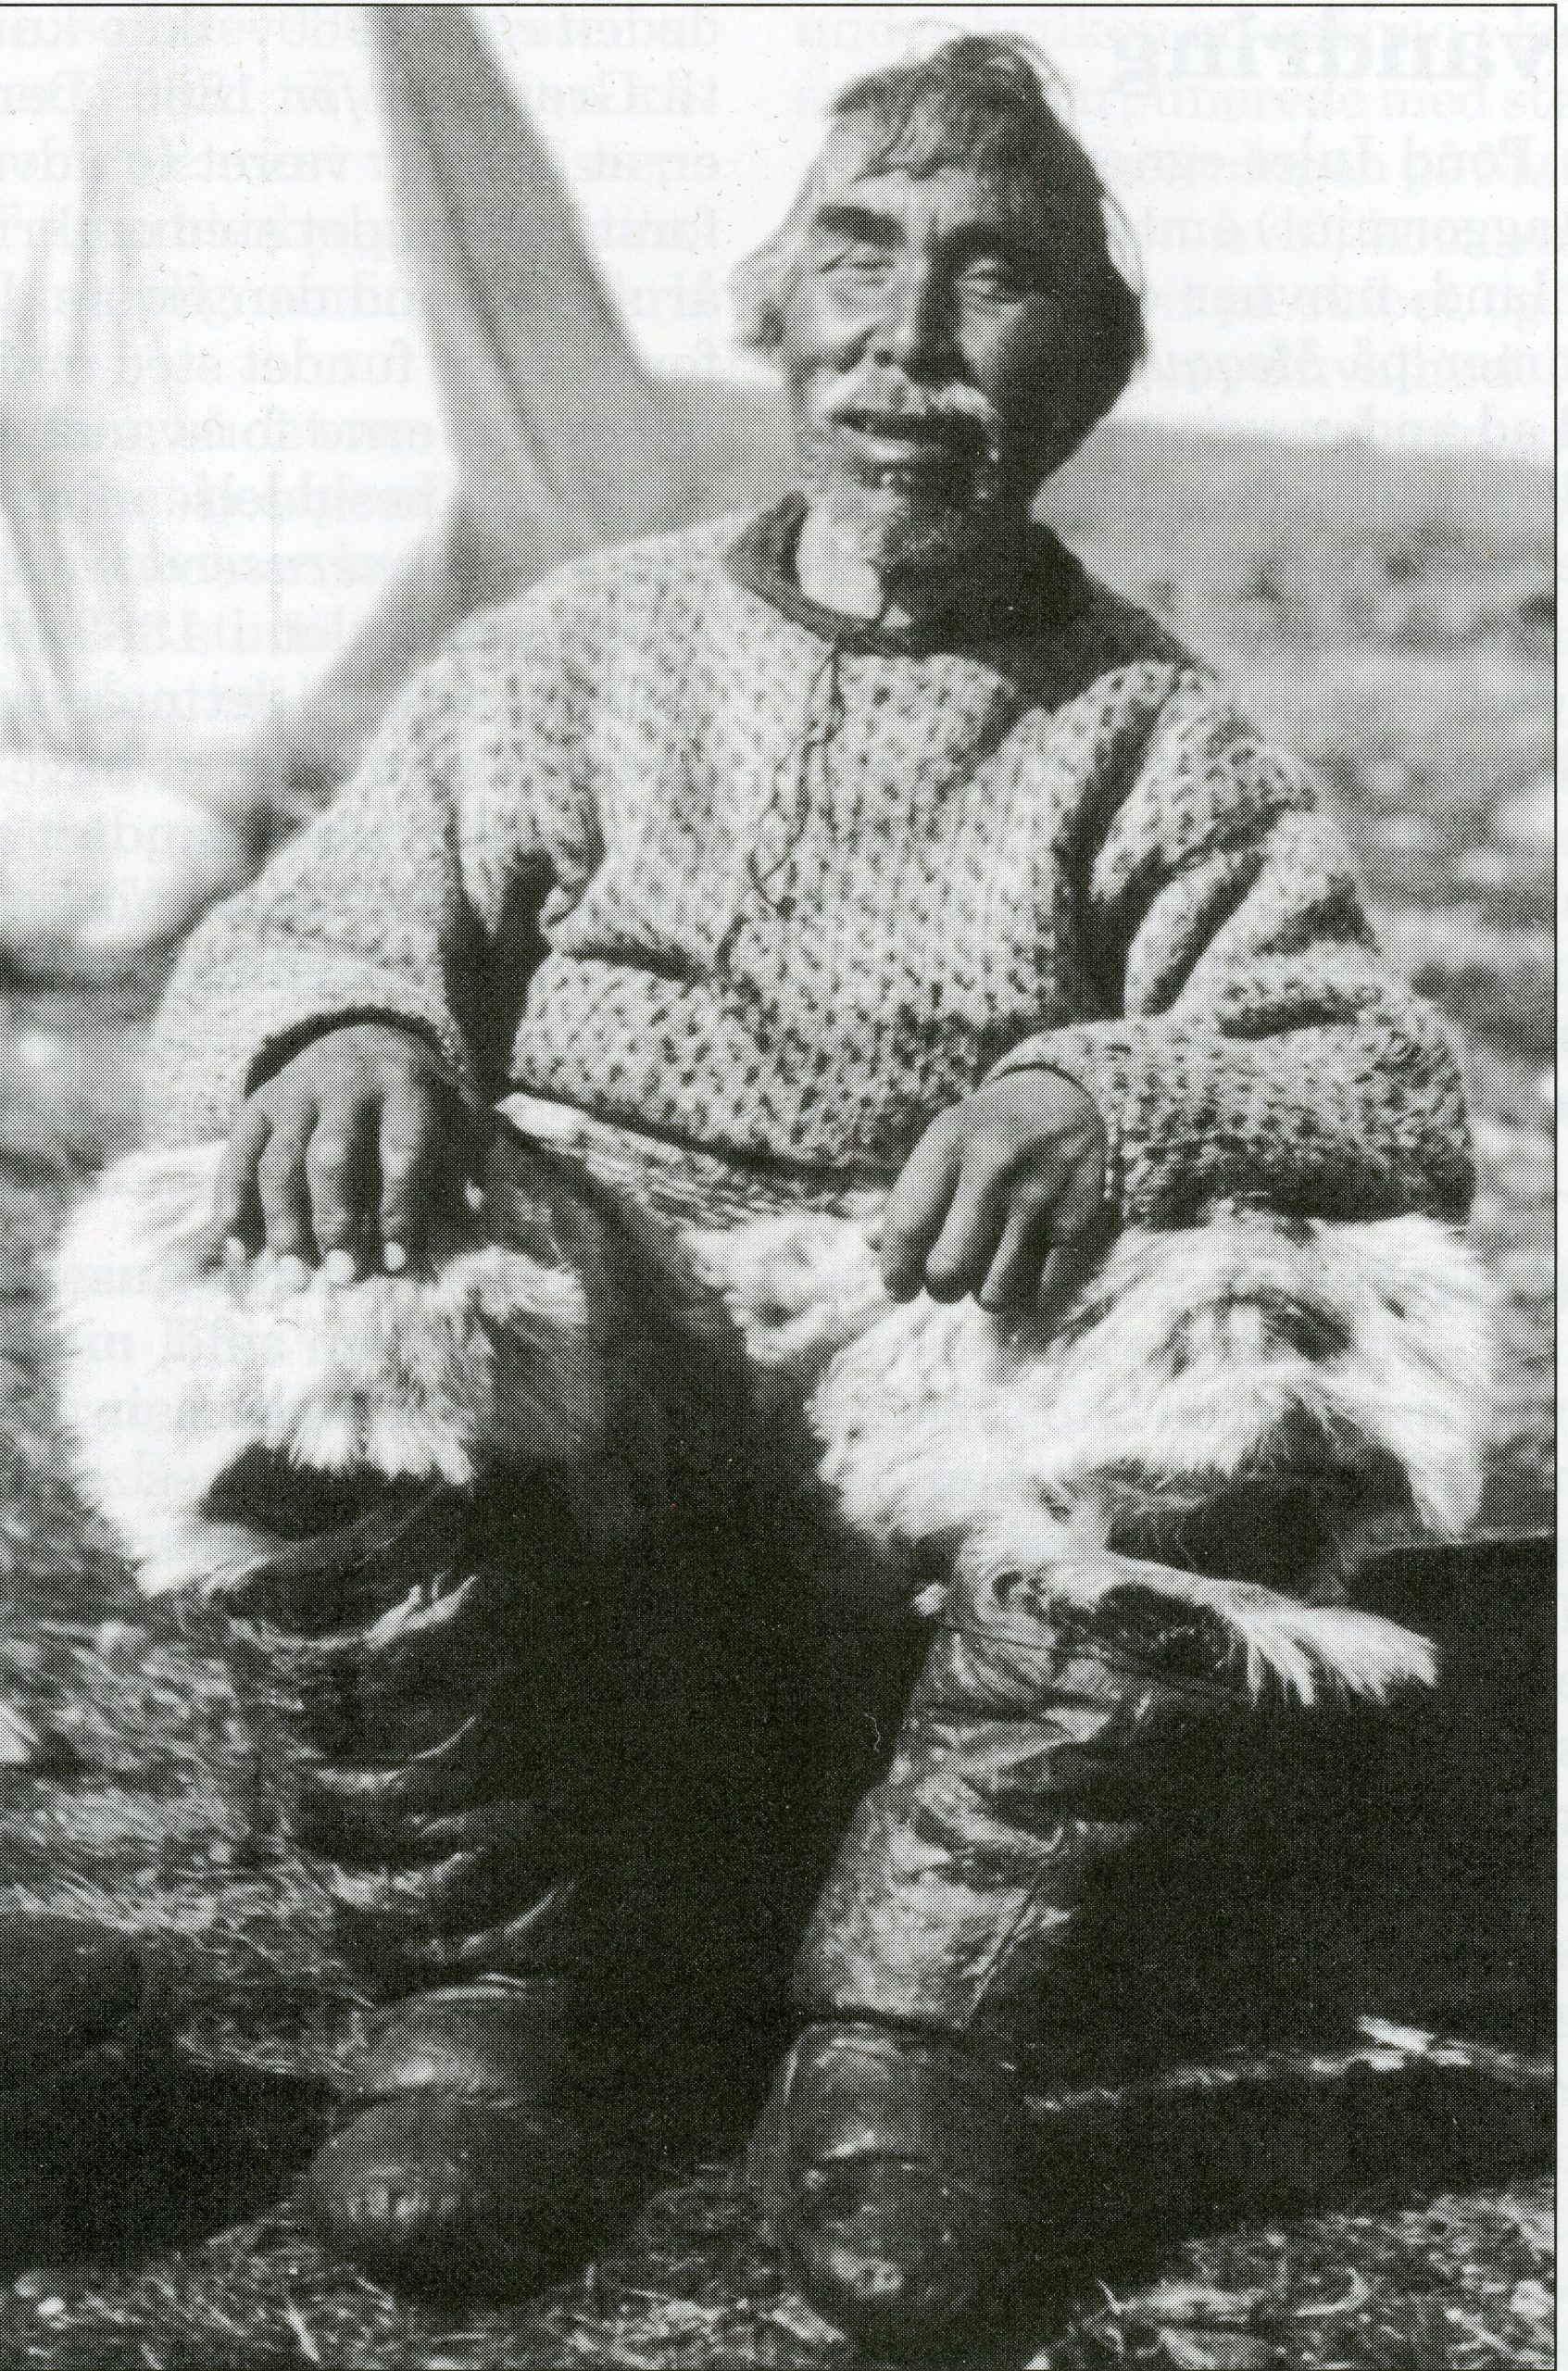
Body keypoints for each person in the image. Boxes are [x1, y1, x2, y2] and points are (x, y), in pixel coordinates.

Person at [56, 37, 1487, 2359]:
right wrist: (351, 1035)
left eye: (995, 279)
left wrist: (1101, 1093)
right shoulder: (572, 658)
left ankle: (908, 2035)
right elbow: (303, 932)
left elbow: (1372, 1080)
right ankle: (494, 2004)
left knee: (1284, 1307)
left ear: (1088, 366)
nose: (913, 339)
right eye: (861, 258)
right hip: (596, 1304)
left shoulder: (1153, 732)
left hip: (935, 1344)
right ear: (773, 317)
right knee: (277, 1228)